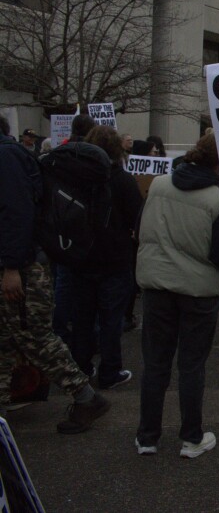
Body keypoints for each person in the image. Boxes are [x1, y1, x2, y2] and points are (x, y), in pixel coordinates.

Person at [0, 115, 110, 432]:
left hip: (20, 268)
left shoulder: (6, 157)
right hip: (17, 264)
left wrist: (11, 267)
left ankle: (86, 396)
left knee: (35, 338)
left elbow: (16, 214)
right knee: (6, 341)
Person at [135, 133, 219, 458]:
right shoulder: (218, 200)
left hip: (157, 286)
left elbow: (141, 229)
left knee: (155, 363)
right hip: (199, 291)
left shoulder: (159, 185)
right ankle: (191, 437)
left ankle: (147, 436)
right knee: (191, 365)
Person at [69, 126, 142, 389]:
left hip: (80, 256)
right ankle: (110, 371)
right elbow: (138, 214)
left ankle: (81, 368)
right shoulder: (121, 179)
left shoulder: (75, 177)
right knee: (112, 320)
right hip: (114, 257)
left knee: (83, 318)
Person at [52, 113, 97, 343]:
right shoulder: (94, 158)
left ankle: (59, 328)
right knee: (87, 287)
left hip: (60, 224)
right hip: (85, 226)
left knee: (63, 281)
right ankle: (86, 334)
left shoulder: (58, 154)